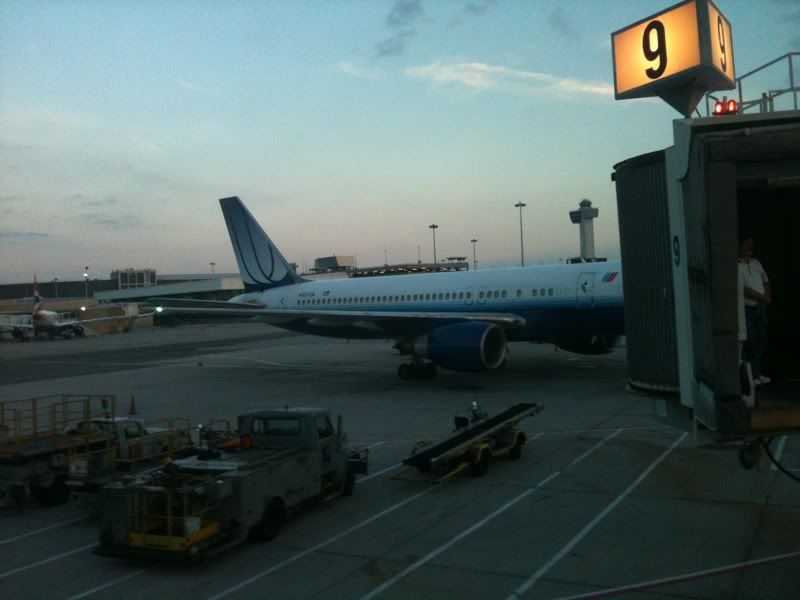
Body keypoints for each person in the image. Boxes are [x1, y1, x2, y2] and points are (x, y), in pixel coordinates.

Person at [738, 237, 771, 384]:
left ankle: (757, 373)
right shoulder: (737, 265)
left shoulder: (756, 263)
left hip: (760, 308)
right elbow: (743, 288)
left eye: (751, 245)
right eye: (746, 245)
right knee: (749, 342)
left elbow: (766, 281)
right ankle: (751, 376)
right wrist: (761, 297)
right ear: (740, 246)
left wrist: (767, 296)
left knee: (761, 340)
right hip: (748, 308)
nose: (749, 247)